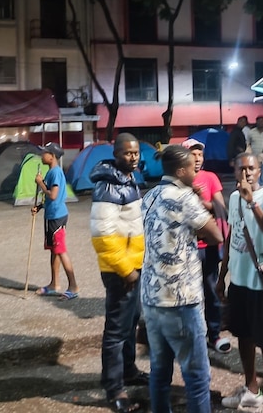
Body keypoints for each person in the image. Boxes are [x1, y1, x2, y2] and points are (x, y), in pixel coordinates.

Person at [141, 145, 224, 413]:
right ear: (180, 171)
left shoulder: (149, 196)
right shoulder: (184, 196)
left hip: (153, 297)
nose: (195, 170)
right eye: (191, 167)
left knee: (160, 370)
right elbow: (215, 235)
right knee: (197, 376)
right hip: (181, 299)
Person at [218, 153, 263, 413]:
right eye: (241, 168)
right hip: (239, 280)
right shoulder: (234, 198)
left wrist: (252, 202)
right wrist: (222, 275)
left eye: (251, 168)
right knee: (243, 335)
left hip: (262, 283)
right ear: (235, 171)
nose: (246, 173)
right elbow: (232, 236)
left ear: (260, 171)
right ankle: (251, 390)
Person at [89, 133, 148, 413]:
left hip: (132, 266)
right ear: (116, 154)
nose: (133, 157)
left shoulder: (128, 179)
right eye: (127, 153)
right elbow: (103, 236)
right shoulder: (108, 185)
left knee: (130, 322)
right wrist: (127, 271)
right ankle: (114, 388)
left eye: (135, 153)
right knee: (116, 330)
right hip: (120, 271)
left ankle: (128, 370)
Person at [182, 138, 232, 354]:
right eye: (193, 155)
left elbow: (221, 208)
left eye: (200, 155)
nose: (198, 159)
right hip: (185, 246)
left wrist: (201, 202)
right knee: (188, 292)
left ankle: (214, 333)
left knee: (210, 289)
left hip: (207, 245)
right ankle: (192, 335)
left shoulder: (210, 178)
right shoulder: (179, 179)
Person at [32, 142, 79, 301]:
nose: (41, 155)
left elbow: (53, 194)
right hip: (52, 215)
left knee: (60, 250)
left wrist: (40, 184)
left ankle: (73, 286)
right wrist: (39, 207)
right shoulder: (52, 172)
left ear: (52, 156)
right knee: (54, 250)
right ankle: (54, 284)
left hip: (57, 217)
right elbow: (51, 199)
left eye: (44, 153)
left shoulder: (55, 172)